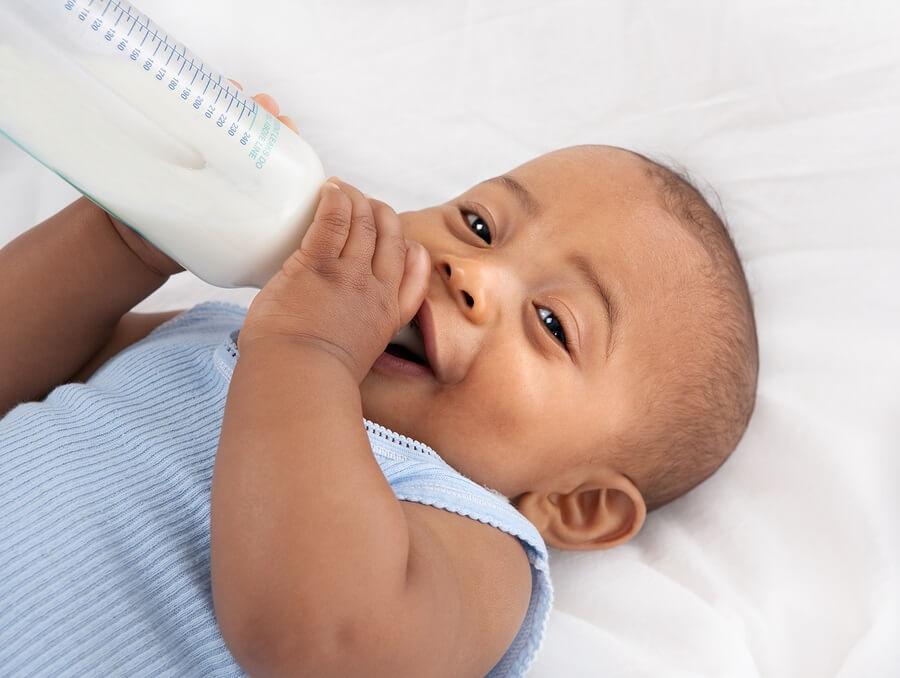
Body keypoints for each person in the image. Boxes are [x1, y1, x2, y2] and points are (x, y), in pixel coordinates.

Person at [0, 93, 758, 677]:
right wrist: (121, 239)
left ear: (576, 502)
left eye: (554, 324)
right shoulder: (223, 335)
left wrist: (307, 350)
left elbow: (322, 642)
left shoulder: (466, 534)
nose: (474, 275)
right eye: (479, 226)